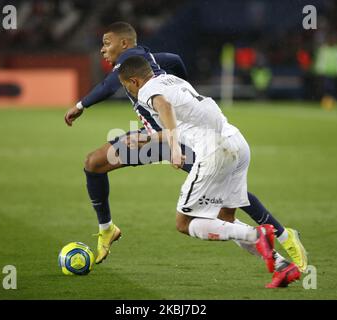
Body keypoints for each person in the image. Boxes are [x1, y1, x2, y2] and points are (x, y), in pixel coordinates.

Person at [64, 22, 308, 273]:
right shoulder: (147, 59)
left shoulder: (129, 60)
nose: (103, 49)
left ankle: (281, 239)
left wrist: (81, 105)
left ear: (124, 44)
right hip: (161, 138)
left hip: (175, 139)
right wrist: (181, 89)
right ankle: (107, 230)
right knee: (94, 163)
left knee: (222, 205)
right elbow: (175, 59)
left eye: (107, 43)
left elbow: (108, 86)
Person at [117, 56, 302, 287]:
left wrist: (174, 149)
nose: (130, 92)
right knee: (227, 219)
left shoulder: (147, 91)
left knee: (184, 224)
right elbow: (185, 125)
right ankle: (282, 265)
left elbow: (164, 107)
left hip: (215, 151)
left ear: (134, 81)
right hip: (236, 142)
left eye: (127, 87)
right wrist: (147, 138)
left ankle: (257, 235)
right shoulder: (172, 81)